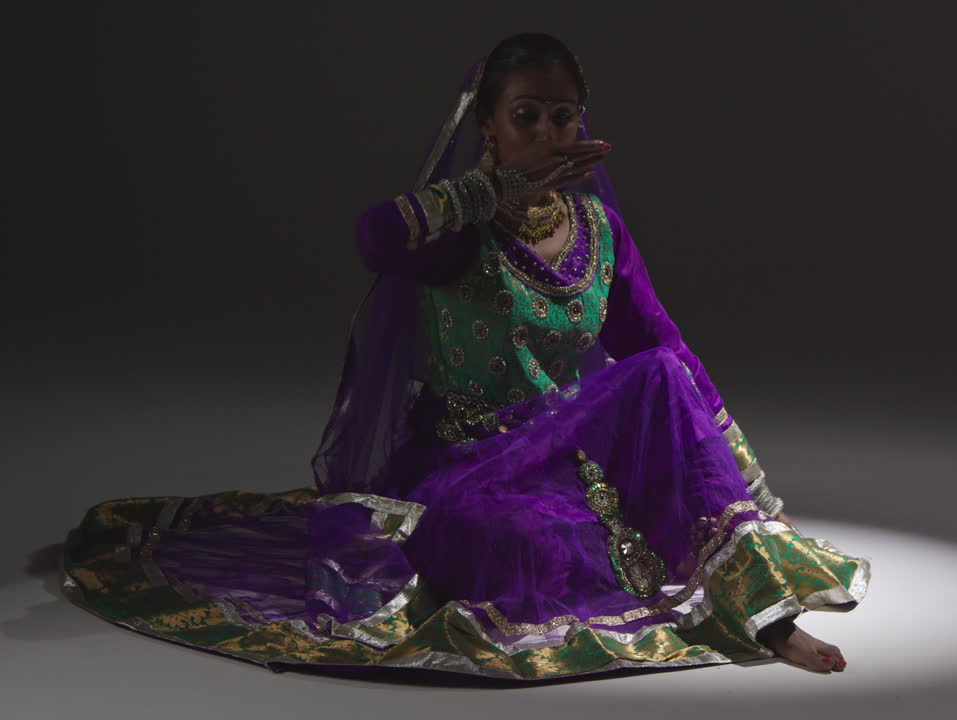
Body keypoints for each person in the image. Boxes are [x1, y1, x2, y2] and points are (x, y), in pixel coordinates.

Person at [62, 33, 869, 682]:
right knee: (531, 554)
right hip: (463, 459)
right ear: (488, 123)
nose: (548, 134)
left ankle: (769, 620)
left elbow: (660, 347)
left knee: (658, 379)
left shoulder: (597, 228)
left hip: (571, 447)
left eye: (563, 116)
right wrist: (490, 195)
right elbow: (372, 237)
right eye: (527, 116)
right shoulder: (448, 231)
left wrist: (749, 488)